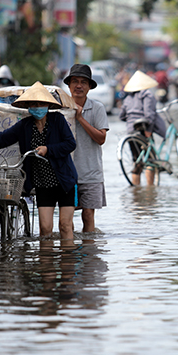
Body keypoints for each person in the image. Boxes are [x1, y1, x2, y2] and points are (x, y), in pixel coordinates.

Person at [0, 81, 78, 241]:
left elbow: (70, 144)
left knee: (65, 226)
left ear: (47, 105)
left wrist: (48, 149)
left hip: (65, 181)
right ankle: (45, 265)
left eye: (41, 103)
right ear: (28, 106)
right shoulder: (25, 126)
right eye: (34, 103)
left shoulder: (58, 120)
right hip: (43, 184)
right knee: (45, 229)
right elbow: (3, 138)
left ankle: (67, 264)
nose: (37, 106)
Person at [64, 64, 110, 233]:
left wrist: (80, 118)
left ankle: (90, 254)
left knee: (88, 215)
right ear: (68, 86)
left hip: (91, 173)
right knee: (66, 218)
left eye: (83, 82)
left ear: (89, 87)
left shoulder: (97, 108)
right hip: (66, 173)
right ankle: (70, 254)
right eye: (75, 81)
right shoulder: (60, 109)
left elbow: (101, 138)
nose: (79, 86)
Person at [118, 70, 167, 186]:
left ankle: (136, 189)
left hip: (131, 131)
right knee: (150, 160)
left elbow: (121, 116)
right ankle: (150, 189)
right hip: (143, 129)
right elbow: (149, 115)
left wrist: (130, 120)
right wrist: (148, 130)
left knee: (136, 160)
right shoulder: (148, 95)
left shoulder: (128, 98)